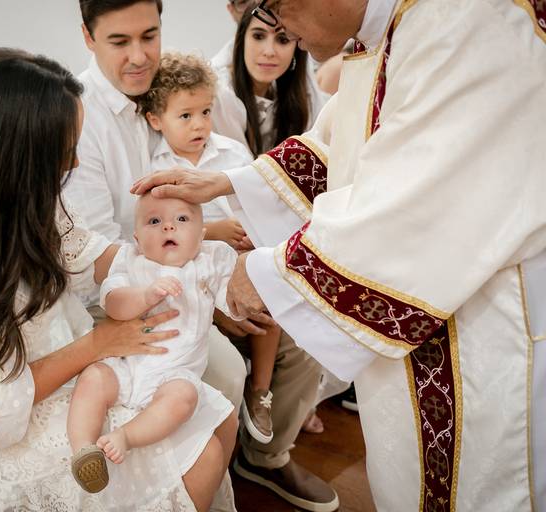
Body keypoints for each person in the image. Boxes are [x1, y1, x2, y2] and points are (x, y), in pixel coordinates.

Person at [131, 0, 546, 510]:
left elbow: (408, 211)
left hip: (478, 333)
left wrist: (261, 275)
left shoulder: (464, 21)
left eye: (275, 7)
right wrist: (230, 181)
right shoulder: (384, 35)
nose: (279, 27)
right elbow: (345, 150)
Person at [0, 47, 236, 512]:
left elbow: (91, 255)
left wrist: (183, 259)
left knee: (217, 414)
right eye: (64, 154)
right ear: (12, 161)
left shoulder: (27, 206)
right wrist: (99, 344)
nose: (74, 165)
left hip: (68, 368)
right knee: (201, 452)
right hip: (6, 426)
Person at [139, 52, 281, 443]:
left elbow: (258, 202)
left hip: (240, 254)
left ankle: (260, 392)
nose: (200, 124)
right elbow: (159, 232)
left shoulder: (232, 153)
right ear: (156, 120)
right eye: (185, 116)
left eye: (205, 111)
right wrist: (213, 232)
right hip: (191, 266)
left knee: (270, 287)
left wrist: (252, 234)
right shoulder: (155, 166)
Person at [68, 194, 239, 511]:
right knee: (92, 378)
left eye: (182, 219)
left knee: (183, 399)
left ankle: (126, 437)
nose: (168, 227)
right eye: (154, 221)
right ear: (136, 238)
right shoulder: (130, 260)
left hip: (174, 374)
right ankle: (83, 451)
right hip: (124, 364)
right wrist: (145, 296)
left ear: (201, 234)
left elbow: (234, 302)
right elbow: (114, 305)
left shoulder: (208, 263)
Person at [210, 7, 329, 156]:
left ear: (296, 48)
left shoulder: (297, 96)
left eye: (283, 39)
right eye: (258, 36)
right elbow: (239, 165)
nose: (269, 52)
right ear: (241, 40)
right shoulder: (222, 94)